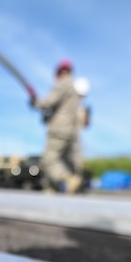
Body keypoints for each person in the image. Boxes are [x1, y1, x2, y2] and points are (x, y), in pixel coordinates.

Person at [30, 59, 82, 193]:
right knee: (62, 159)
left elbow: (50, 101)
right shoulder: (75, 90)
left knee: (49, 159)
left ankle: (68, 179)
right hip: (71, 130)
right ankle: (52, 188)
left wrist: (36, 103)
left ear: (59, 72)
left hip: (59, 128)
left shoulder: (63, 83)